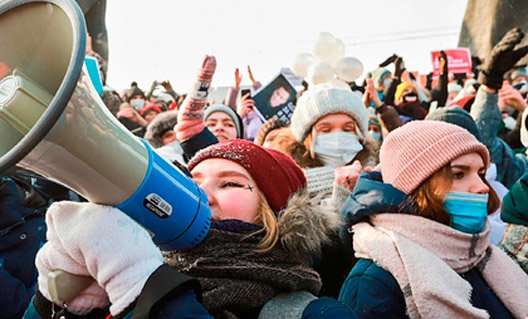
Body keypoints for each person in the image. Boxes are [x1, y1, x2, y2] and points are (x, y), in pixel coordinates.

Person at [25, 140, 356, 319]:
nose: (202, 196)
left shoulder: (313, 313)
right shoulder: (118, 280)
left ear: (278, 216)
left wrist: (147, 289)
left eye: (230, 184)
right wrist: (51, 299)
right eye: (190, 184)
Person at [338, 121, 528, 318]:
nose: (482, 187)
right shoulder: (373, 283)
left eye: (480, 174)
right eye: (458, 174)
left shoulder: (478, 255)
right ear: (416, 186)